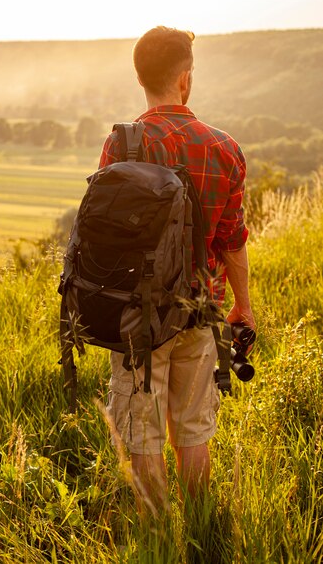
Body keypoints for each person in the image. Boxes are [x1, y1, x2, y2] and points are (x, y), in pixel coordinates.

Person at [98, 26, 255, 512]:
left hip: (135, 319)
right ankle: (203, 528)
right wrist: (243, 308)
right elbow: (232, 242)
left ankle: (156, 538)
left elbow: (104, 235)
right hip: (199, 311)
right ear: (185, 79)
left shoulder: (122, 145)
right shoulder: (224, 148)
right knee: (192, 429)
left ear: (139, 77)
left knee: (142, 433)